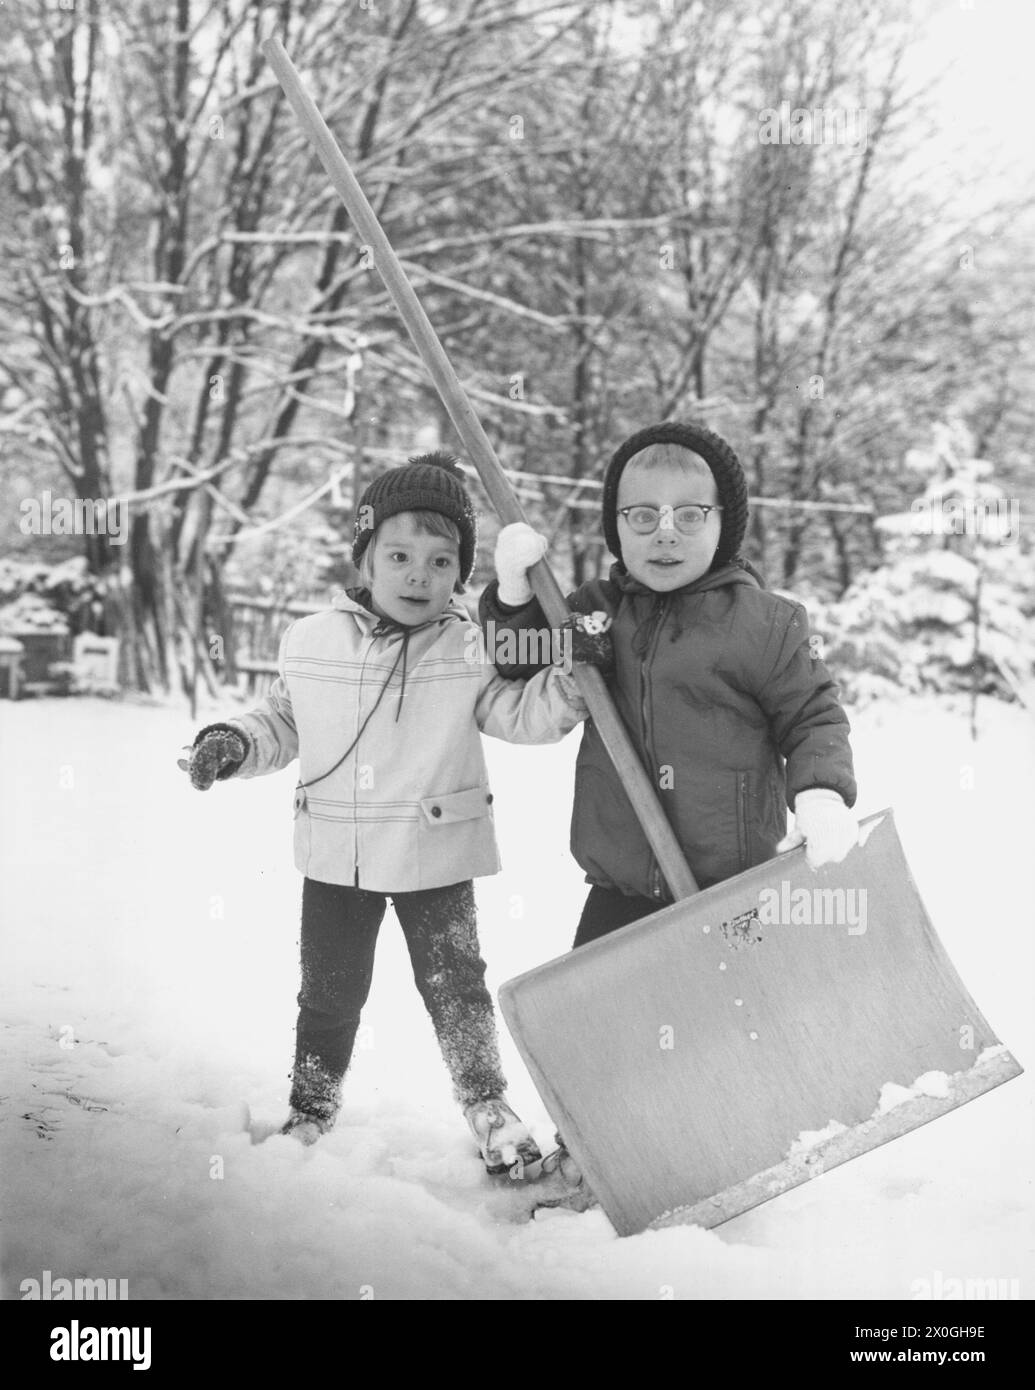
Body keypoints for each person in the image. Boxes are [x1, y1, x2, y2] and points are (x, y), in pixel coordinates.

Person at [181, 452, 588, 1174]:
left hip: (438, 848)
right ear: (362, 559)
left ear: (460, 575)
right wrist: (232, 742)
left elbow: (518, 714)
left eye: (440, 562)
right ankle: (311, 1107)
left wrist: (572, 680)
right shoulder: (310, 641)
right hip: (338, 853)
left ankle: (486, 1102)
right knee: (329, 993)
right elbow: (281, 719)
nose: (417, 576)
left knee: (455, 989)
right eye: (397, 555)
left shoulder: (470, 644)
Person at [480, 419, 859, 947]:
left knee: (732, 1021)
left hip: (734, 888)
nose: (665, 532)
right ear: (616, 527)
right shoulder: (594, 612)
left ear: (722, 525)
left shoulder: (766, 623)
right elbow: (515, 661)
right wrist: (515, 596)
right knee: (602, 1019)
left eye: (689, 515)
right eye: (641, 516)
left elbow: (812, 717)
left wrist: (821, 795)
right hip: (622, 886)